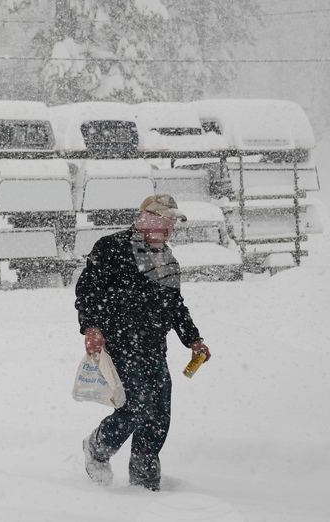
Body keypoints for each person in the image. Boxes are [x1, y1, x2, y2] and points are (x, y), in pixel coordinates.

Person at [75, 194, 211, 491]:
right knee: (137, 407)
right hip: (121, 344)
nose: (171, 228)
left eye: (174, 222)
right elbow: (88, 289)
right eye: (166, 220)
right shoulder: (112, 247)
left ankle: (144, 476)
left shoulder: (166, 259)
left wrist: (193, 339)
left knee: (159, 414)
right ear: (146, 217)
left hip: (153, 347)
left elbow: (175, 305)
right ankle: (97, 448)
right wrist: (91, 327)